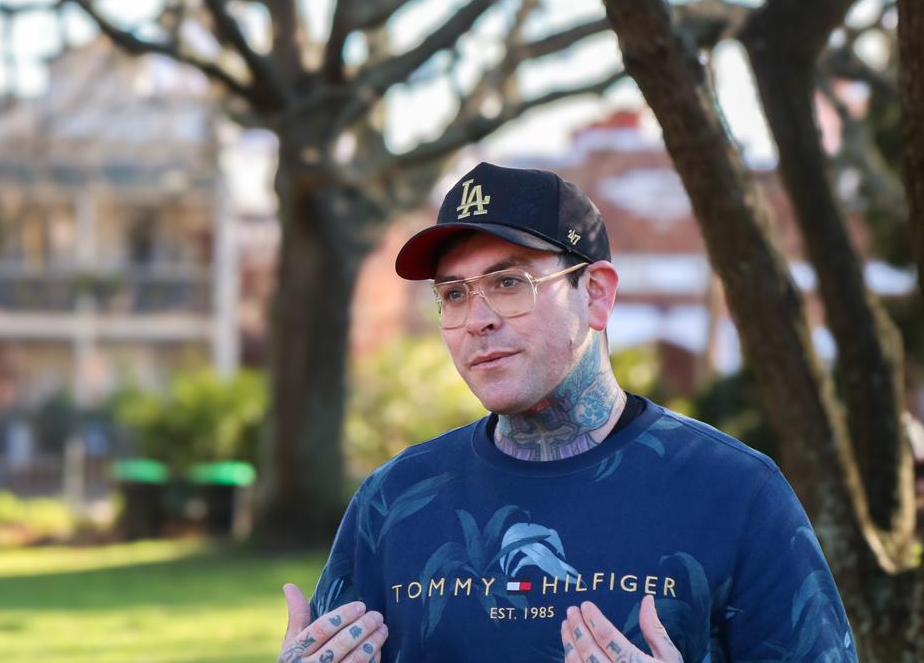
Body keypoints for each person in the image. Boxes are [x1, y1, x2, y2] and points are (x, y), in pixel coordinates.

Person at [277, 163, 857, 663]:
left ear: (597, 294)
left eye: (509, 282)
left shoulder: (735, 493)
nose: (478, 319)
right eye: (454, 294)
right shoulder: (394, 500)